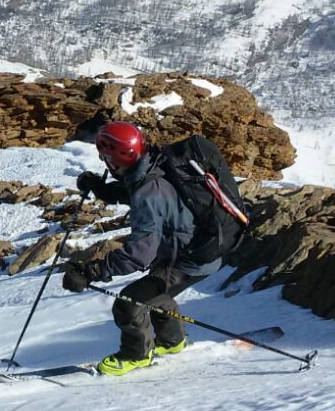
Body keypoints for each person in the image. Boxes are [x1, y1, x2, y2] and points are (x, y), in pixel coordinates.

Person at [62, 120, 226, 377]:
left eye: (106, 158)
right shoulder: (153, 165)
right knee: (154, 292)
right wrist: (102, 189)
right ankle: (173, 342)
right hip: (191, 249)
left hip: (190, 260)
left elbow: (140, 254)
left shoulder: (148, 191)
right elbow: (136, 189)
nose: (105, 163)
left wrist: (92, 271)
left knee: (129, 303)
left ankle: (136, 355)